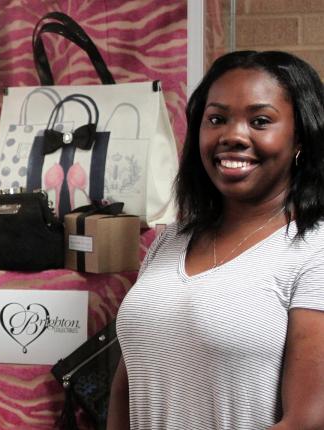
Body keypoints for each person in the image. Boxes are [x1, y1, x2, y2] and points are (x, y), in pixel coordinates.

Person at [108, 50, 324, 429]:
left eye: (260, 121)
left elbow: (308, 420)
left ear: (300, 138)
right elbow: (126, 387)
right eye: (216, 119)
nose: (233, 136)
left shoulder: (314, 250)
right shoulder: (169, 242)